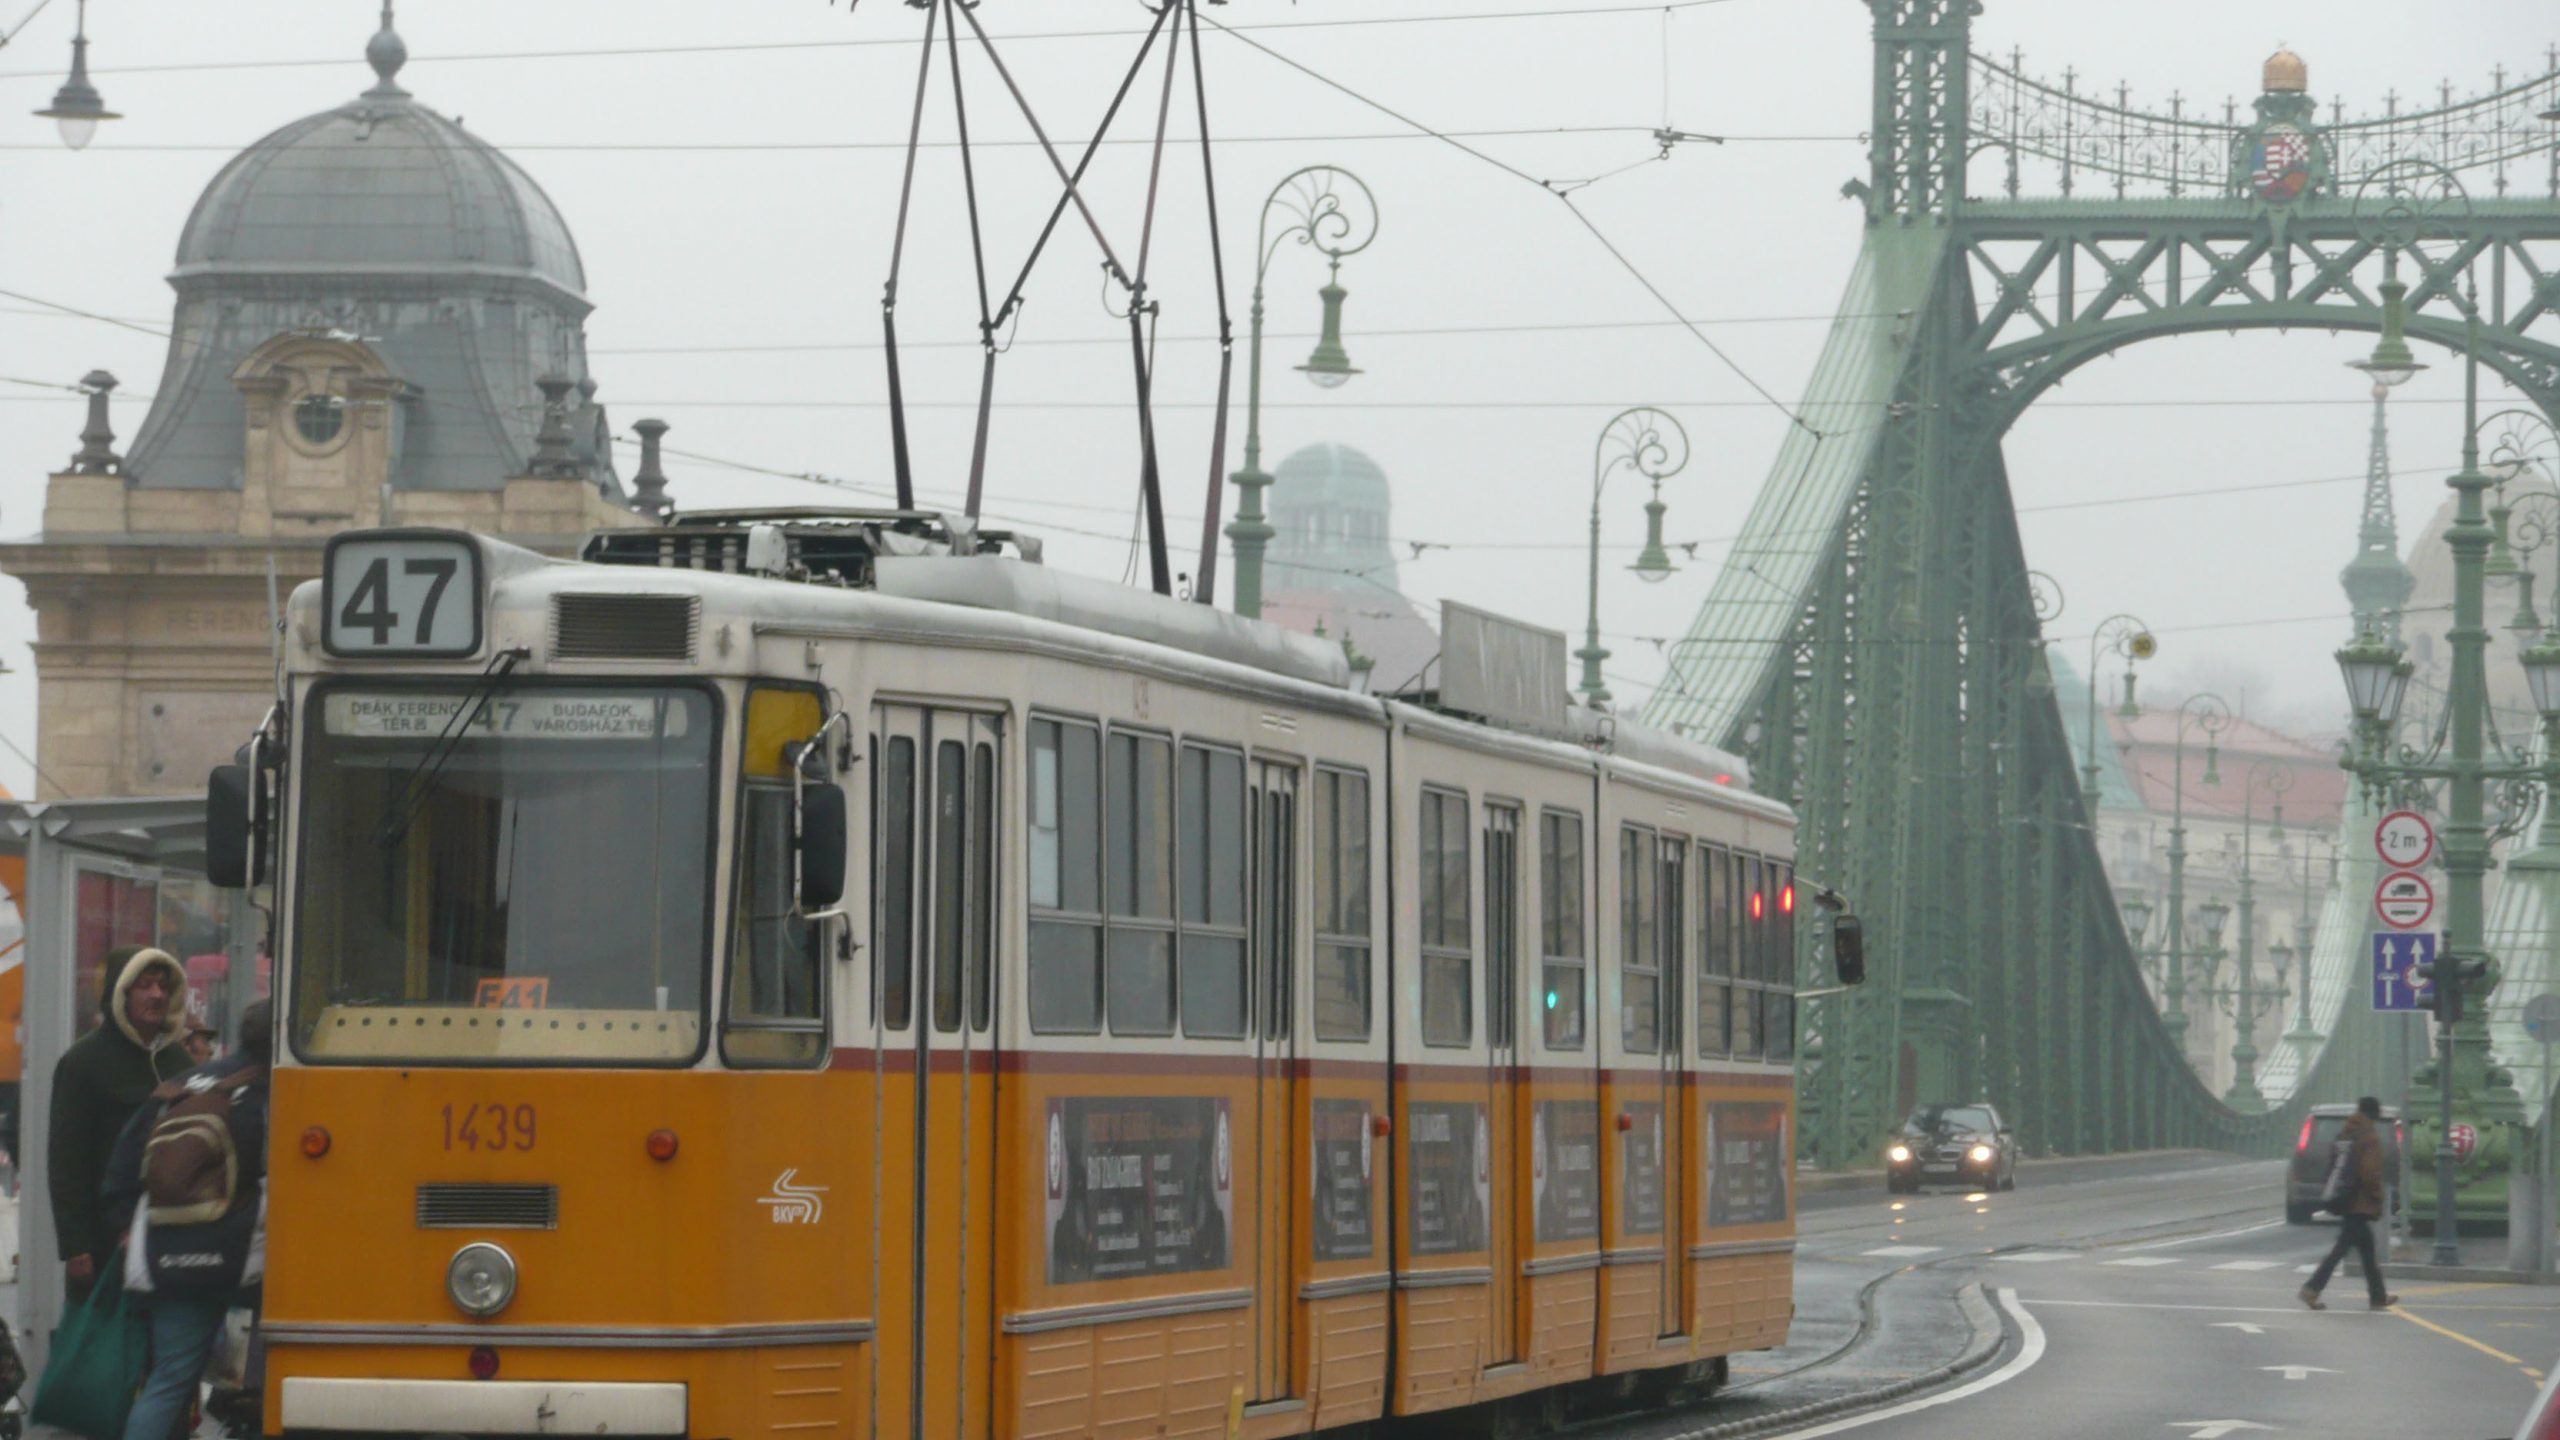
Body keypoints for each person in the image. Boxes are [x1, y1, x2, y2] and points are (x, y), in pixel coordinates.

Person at [102, 998, 270, 1440]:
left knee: (170, 1380)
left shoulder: (180, 1085)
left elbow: (124, 1162)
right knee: (272, 1373)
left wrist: (125, 1224)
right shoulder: (270, 1091)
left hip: (169, 1254)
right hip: (247, 1260)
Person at [47, 946, 190, 1300]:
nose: (156, 995)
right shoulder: (84, 1062)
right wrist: (76, 1245)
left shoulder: (178, 1060)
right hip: (105, 1244)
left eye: (162, 986)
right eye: (144, 985)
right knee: (105, 1346)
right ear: (120, 994)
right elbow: (67, 1161)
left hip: (170, 1238)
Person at [2300, 1095, 2398, 1312]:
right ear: (2375, 1114)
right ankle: (2311, 1288)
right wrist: (2378, 1197)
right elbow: (2370, 1172)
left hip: (2346, 1198)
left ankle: (2378, 1297)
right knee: (2340, 1250)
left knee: (2367, 1251)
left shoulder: (2347, 1132)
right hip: (2360, 1202)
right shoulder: (2369, 1137)